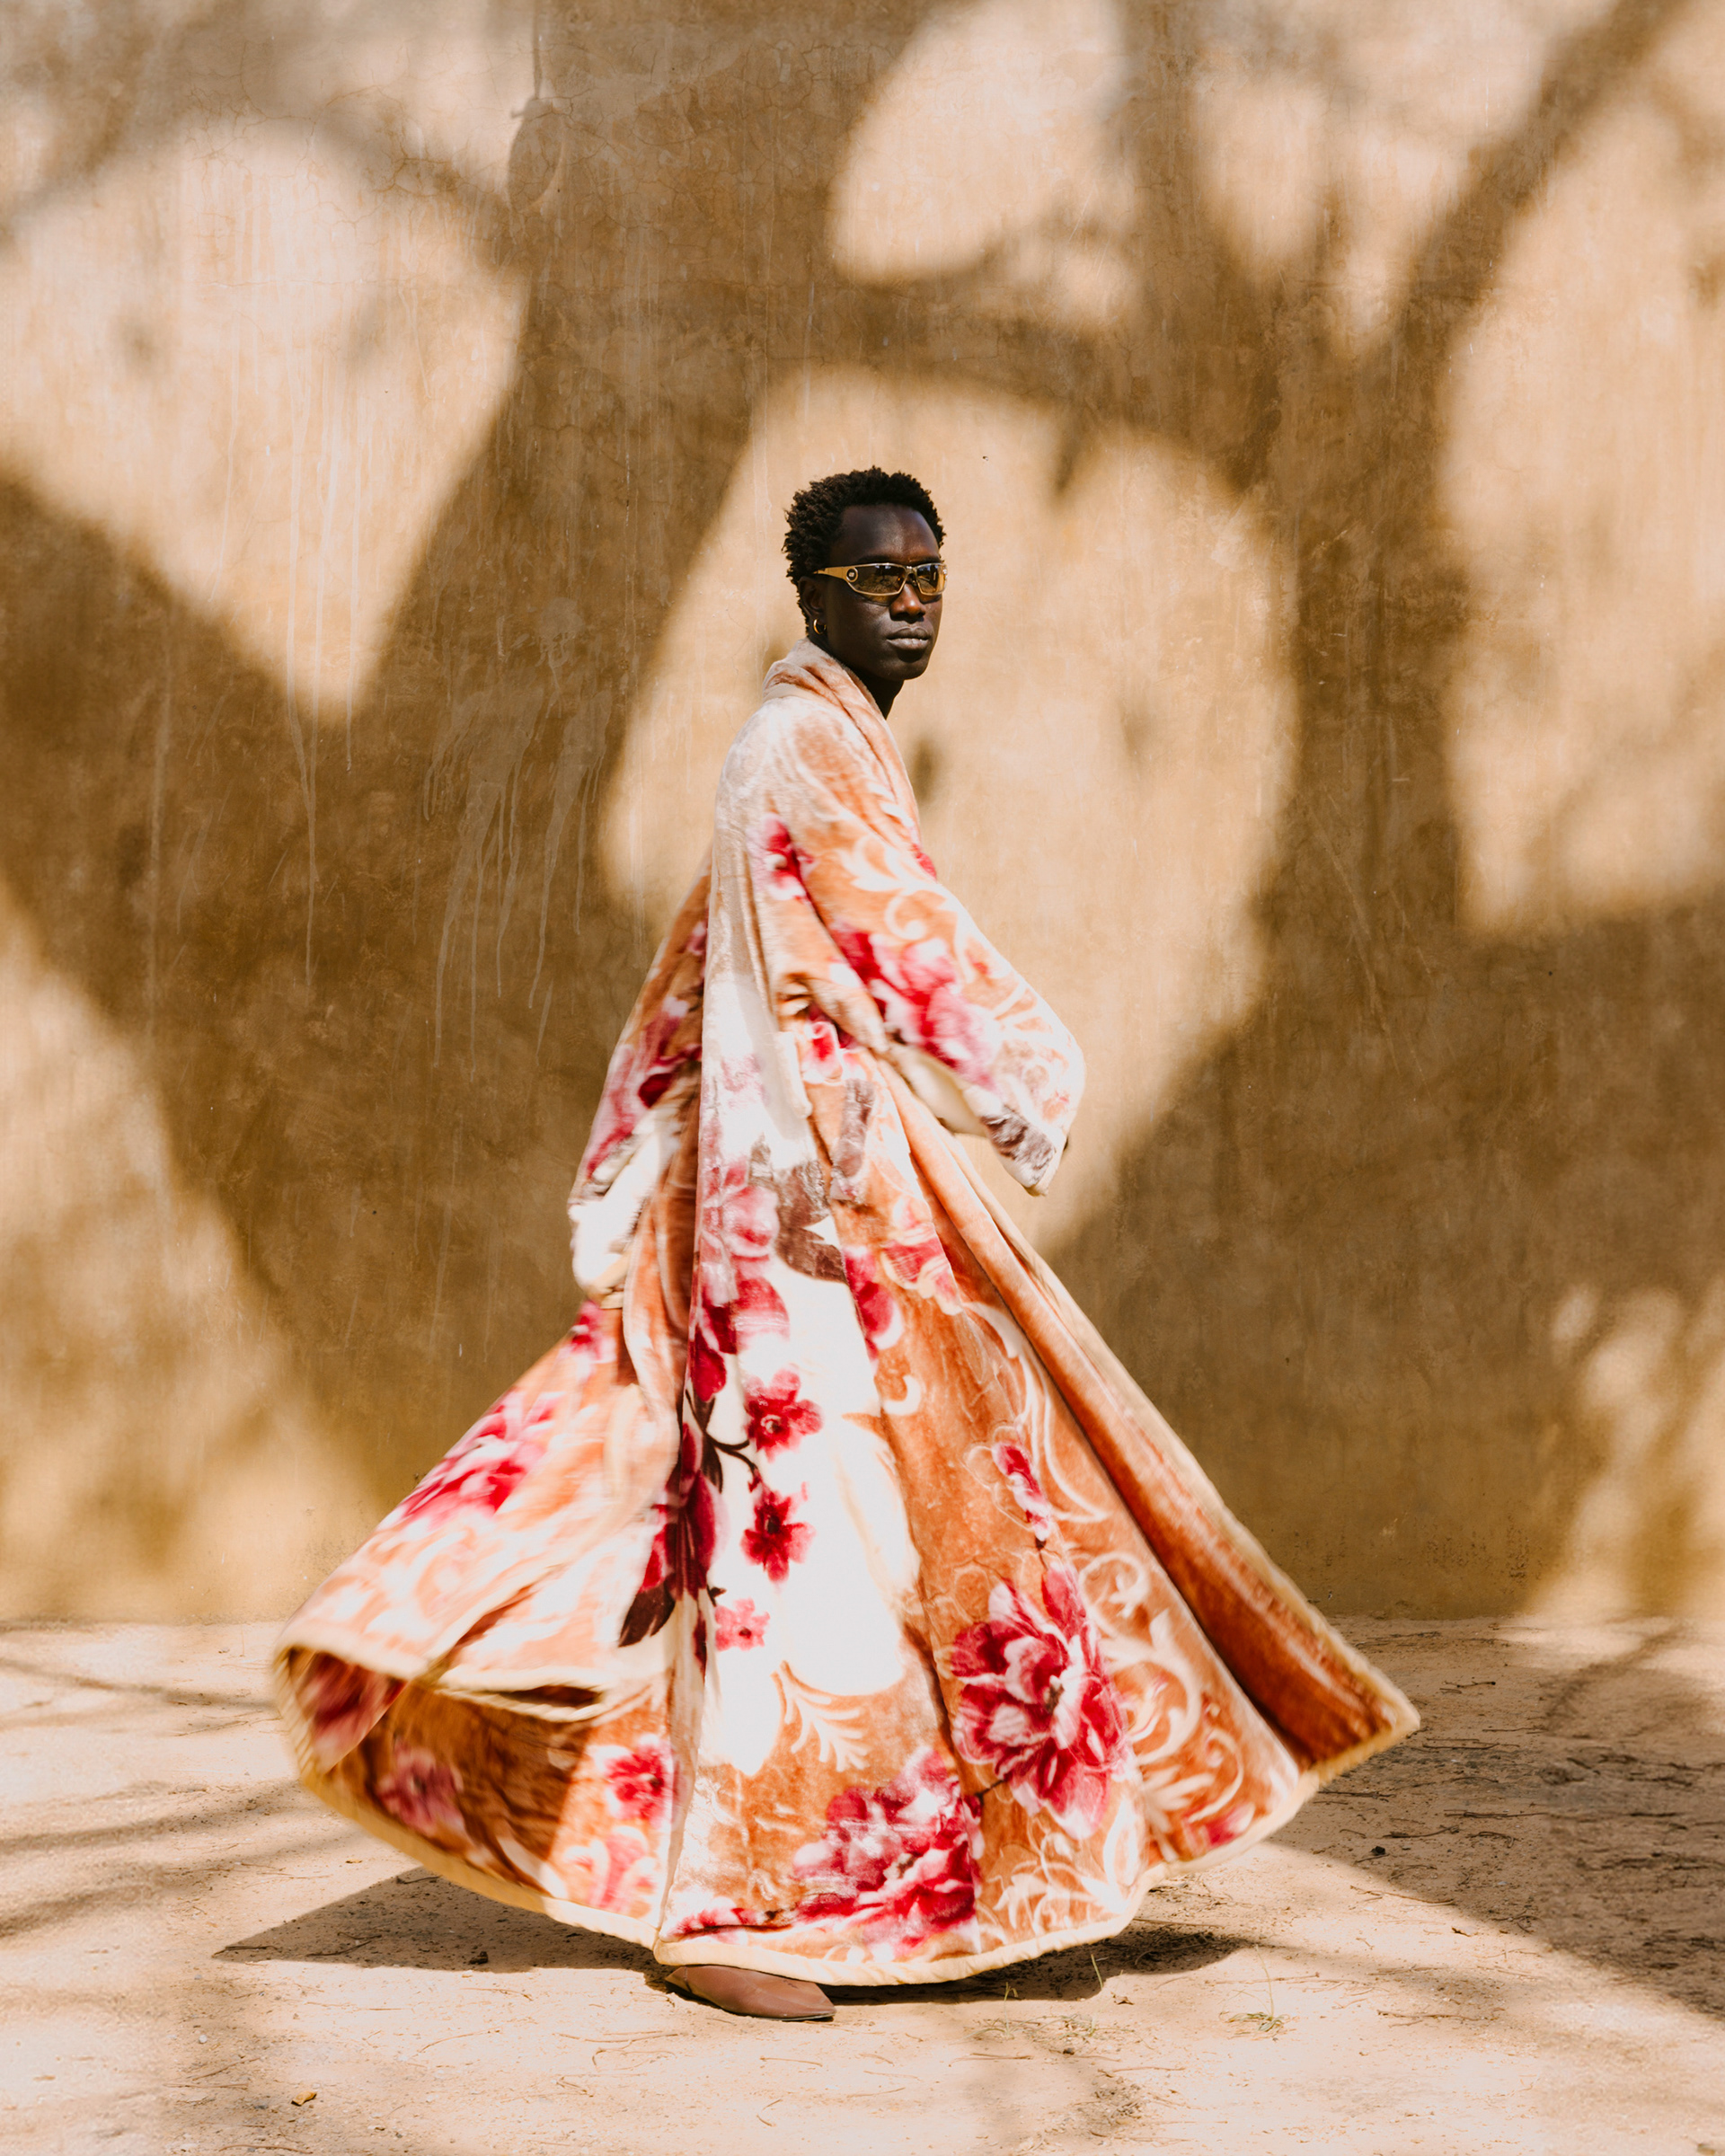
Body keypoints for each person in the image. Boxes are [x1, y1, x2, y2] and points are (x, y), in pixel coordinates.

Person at [276, 467, 1416, 2022]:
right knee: (801, 1542)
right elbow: (902, 931)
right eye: (878, 576)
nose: (911, 598)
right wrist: (1034, 1076)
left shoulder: (799, 748)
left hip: (816, 1187)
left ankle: (979, 1871)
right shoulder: (804, 748)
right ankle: (729, 1914)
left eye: (930, 572)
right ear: (809, 592)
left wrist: (638, 1143)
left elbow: (697, 954)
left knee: (899, 1530)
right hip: (792, 1205)